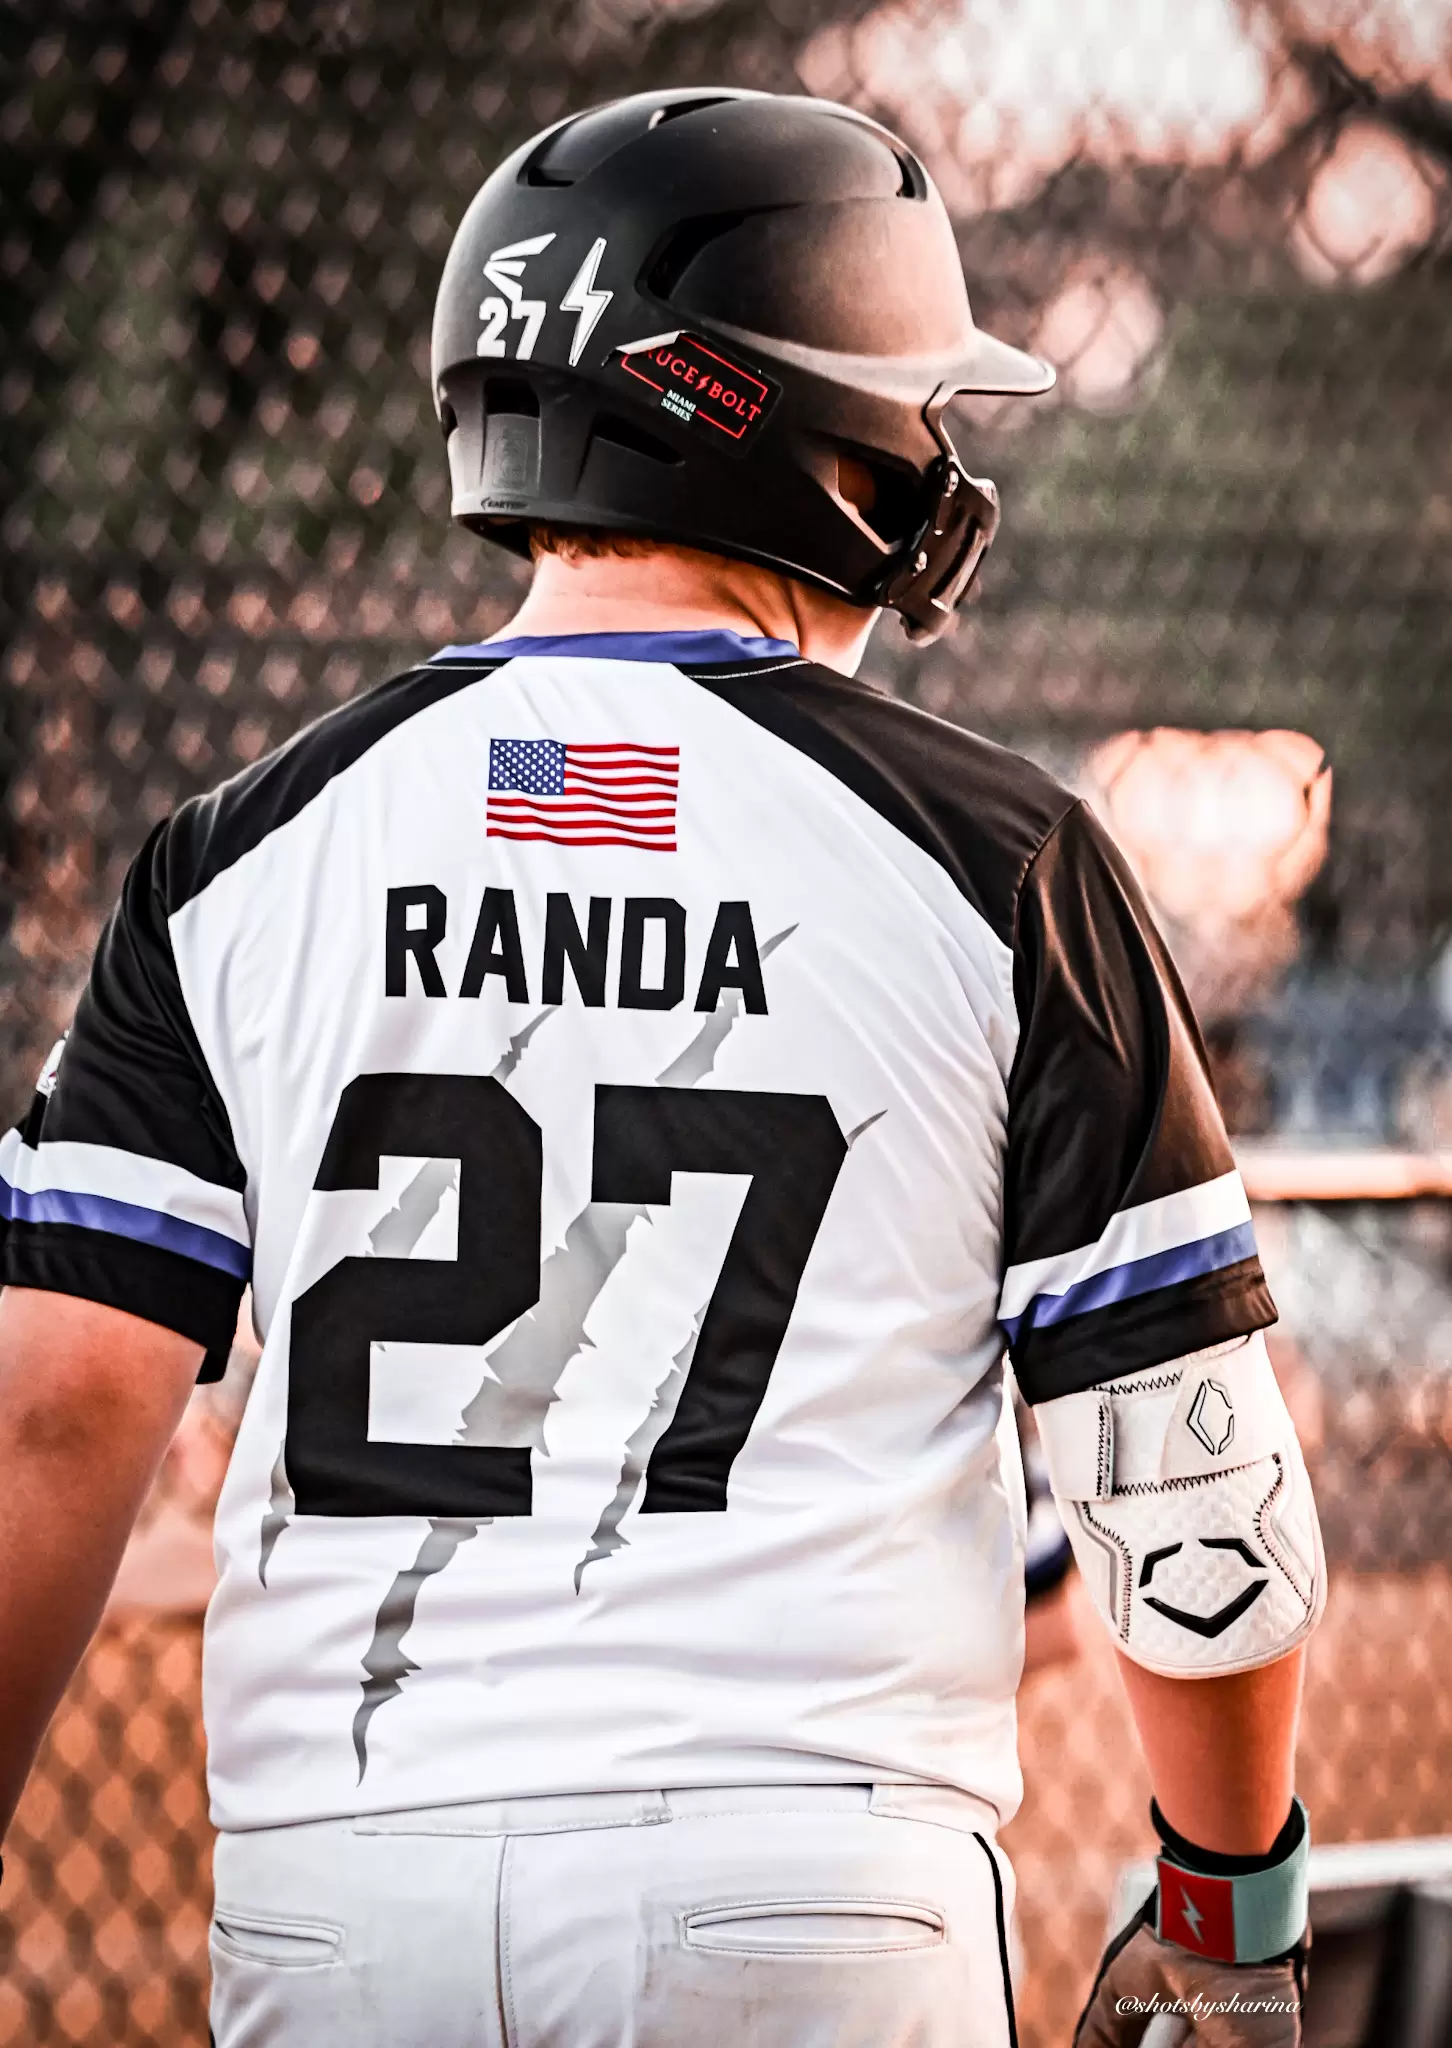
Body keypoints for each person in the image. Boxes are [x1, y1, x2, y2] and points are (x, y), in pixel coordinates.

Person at [0, 89, 1324, 2047]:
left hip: (344, 1892)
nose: (934, 466)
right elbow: (1188, 1482)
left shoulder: (243, 851)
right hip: (807, 1884)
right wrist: (1227, 1918)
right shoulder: (1000, 857)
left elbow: (50, 1411)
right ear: (802, 428)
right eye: (910, 413)